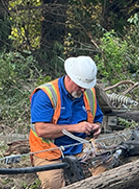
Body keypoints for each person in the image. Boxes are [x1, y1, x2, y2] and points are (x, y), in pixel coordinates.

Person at [29, 56, 105, 189]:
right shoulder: (45, 94)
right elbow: (41, 130)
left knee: (104, 172)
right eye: (80, 86)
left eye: (85, 87)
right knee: (52, 184)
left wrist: (96, 127)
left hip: (80, 147)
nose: (83, 90)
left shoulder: (88, 93)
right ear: (69, 77)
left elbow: (98, 118)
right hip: (48, 150)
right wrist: (75, 128)